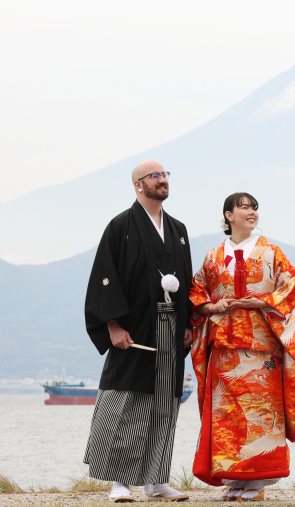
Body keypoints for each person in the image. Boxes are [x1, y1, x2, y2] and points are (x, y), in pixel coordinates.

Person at [83, 160, 193, 503]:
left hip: (171, 326)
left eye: (164, 175)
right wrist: (113, 325)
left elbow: (187, 281)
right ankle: (119, 480)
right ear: (138, 185)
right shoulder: (121, 226)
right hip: (133, 328)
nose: (162, 180)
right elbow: (105, 276)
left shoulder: (178, 229)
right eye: (154, 176)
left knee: (165, 402)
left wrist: (188, 323)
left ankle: (155, 479)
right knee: (124, 401)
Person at [189, 192, 295, 501]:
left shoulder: (271, 253)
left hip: (260, 346)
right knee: (226, 414)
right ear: (229, 215)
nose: (251, 212)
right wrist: (212, 308)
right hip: (224, 347)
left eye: (254, 207)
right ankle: (235, 478)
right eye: (244, 207)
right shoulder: (213, 257)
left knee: (260, 415)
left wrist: (263, 301)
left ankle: (256, 482)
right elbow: (196, 291)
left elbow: (289, 286)